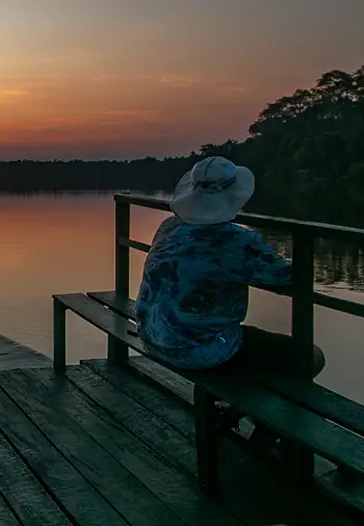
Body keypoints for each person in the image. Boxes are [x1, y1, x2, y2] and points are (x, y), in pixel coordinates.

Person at [134, 156, 325, 379]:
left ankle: (235, 403)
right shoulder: (237, 241)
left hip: (152, 335)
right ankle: (258, 408)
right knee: (312, 356)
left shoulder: (169, 226)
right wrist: (312, 245)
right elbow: (291, 277)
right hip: (200, 351)